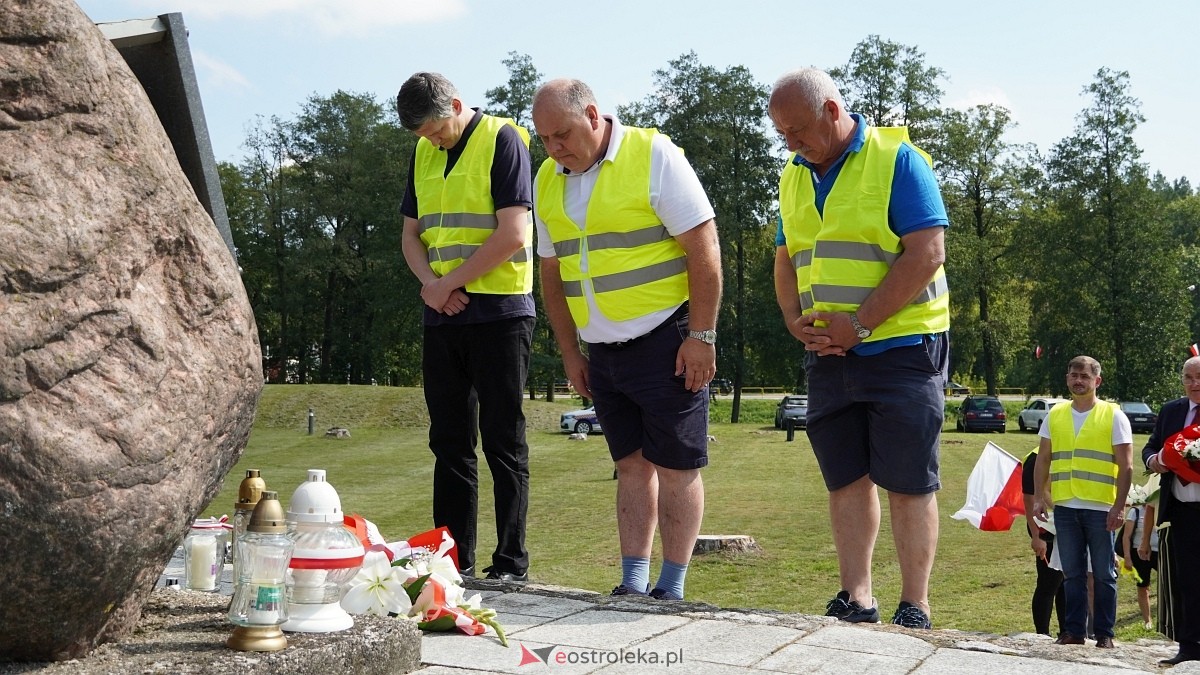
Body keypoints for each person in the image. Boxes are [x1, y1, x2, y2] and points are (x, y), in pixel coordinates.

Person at [768, 67, 950, 630]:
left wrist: (861, 325)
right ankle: (857, 596)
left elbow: (927, 253)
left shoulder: (898, 160)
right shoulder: (793, 174)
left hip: (901, 348)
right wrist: (793, 318)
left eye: (797, 130)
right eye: (783, 134)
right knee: (845, 478)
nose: (791, 143)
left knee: (909, 480)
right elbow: (785, 255)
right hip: (827, 353)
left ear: (831, 109)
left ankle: (914, 603)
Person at [531, 78, 721, 601]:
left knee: (677, 467)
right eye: (544, 139)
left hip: (667, 338)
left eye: (562, 134)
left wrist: (701, 336)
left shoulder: (653, 154)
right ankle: (633, 581)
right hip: (602, 352)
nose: (554, 149)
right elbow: (552, 273)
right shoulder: (547, 178)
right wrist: (571, 350)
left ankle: (672, 587)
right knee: (630, 467)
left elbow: (703, 245)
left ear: (593, 114)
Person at [396, 71, 535, 582]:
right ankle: (451, 562)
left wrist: (447, 282)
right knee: (448, 442)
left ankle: (511, 563)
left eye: (436, 130)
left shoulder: (504, 139)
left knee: (503, 440)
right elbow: (411, 235)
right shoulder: (422, 153)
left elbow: (514, 233)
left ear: (456, 104)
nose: (431, 141)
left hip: (500, 313)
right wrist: (433, 285)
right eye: (422, 136)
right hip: (442, 315)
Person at [1032, 356, 1133, 649]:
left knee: (1103, 573)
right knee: (1072, 573)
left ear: (1096, 381)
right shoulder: (1055, 415)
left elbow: (1126, 467)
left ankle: (1105, 633)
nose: (1078, 380)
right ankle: (1074, 631)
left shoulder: (1114, 416)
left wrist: (1120, 505)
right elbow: (1043, 459)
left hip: (1101, 507)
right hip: (1065, 506)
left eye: (1085, 376)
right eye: (1074, 375)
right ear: (1067, 378)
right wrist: (1039, 496)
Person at [1142, 356, 1200, 664]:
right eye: (1188, 377)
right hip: (1180, 511)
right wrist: (1156, 461)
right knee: (1187, 581)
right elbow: (1150, 448)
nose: (1195, 383)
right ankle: (1189, 647)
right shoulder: (1171, 411)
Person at [1022, 447, 1065, 637]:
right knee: (1048, 583)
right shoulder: (1035, 457)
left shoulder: (1066, 448)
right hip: (1045, 527)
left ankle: (1066, 631)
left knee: (1065, 582)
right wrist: (1036, 537)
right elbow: (1029, 499)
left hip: (1066, 524)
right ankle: (1042, 635)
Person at [1120, 497, 1157, 631]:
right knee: (1143, 586)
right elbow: (1126, 536)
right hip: (1139, 552)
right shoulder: (1135, 511)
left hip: (1159, 551)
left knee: (1168, 585)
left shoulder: (1160, 508)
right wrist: (1127, 557)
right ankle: (1148, 621)